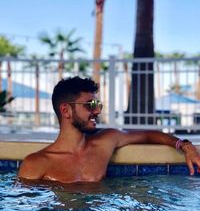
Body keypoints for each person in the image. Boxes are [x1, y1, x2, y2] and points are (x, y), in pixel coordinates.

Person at [18, 76, 200, 183]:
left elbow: (147, 134)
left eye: (98, 104)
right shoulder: (35, 164)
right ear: (66, 110)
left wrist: (185, 145)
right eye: (90, 105)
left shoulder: (106, 141)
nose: (97, 111)